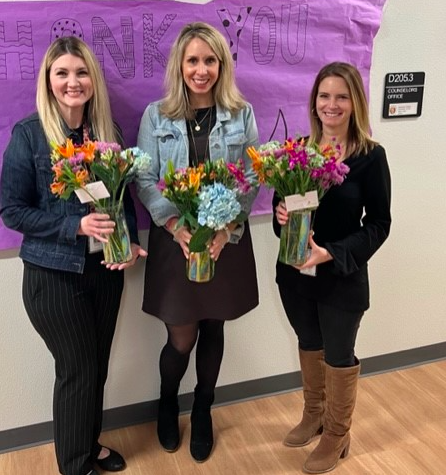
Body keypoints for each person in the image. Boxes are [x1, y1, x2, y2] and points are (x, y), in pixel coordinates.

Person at [0, 37, 147, 475]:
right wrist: (74, 226)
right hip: (53, 275)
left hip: (104, 270)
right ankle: (75, 464)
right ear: (48, 80)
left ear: (93, 80)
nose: (72, 82)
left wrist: (129, 242)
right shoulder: (29, 135)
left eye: (81, 73)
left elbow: (122, 199)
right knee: (77, 370)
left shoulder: (109, 133)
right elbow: (12, 210)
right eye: (62, 73)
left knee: (96, 366)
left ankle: (87, 443)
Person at [135, 22, 259, 463]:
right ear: (180, 65)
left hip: (226, 241)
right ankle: (168, 401)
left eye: (210, 60)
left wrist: (226, 232)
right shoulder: (157, 115)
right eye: (193, 60)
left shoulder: (241, 113)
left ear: (221, 65)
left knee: (214, 325)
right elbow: (145, 178)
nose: (201, 69)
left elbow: (250, 178)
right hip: (178, 240)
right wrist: (174, 225)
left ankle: (204, 408)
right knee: (181, 336)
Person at [273, 62, 391, 473]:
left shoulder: (370, 157)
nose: (332, 104)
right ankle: (314, 413)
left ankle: (337, 433)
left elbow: (379, 224)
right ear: (314, 101)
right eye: (325, 96)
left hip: (341, 274)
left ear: (354, 101)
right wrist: (282, 216)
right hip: (295, 274)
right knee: (309, 340)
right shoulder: (298, 150)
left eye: (341, 96)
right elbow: (280, 213)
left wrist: (331, 253)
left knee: (339, 354)